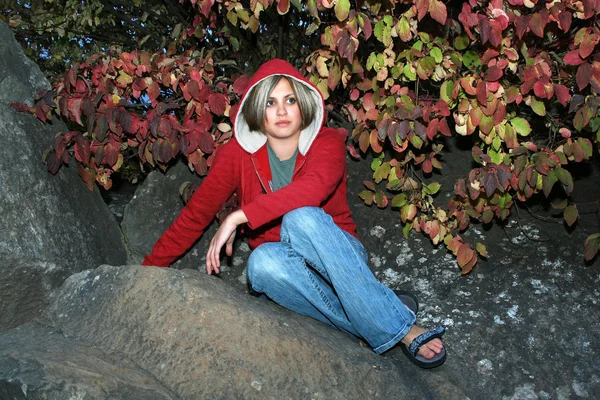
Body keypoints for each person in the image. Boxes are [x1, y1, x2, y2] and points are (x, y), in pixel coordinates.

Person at [142, 59, 446, 368]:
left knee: (302, 217)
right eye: (271, 102)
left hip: (334, 255)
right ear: (257, 110)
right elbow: (196, 214)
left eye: (290, 100)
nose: (282, 110)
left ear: (303, 103)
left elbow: (313, 189)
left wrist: (238, 216)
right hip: (290, 275)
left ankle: (403, 329)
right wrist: (146, 272)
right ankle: (372, 314)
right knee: (259, 265)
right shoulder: (236, 155)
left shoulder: (326, 142)